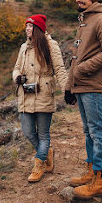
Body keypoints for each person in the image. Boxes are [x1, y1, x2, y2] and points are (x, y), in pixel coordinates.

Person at [64, 0, 102, 198]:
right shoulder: (85, 21)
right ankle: (90, 171)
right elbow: (75, 59)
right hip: (82, 86)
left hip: (94, 85)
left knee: (97, 131)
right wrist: (69, 87)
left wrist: (84, 68)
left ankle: (100, 180)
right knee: (88, 131)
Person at [13, 14, 68, 183]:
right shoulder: (24, 47)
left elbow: (59, 69)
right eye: (26, 26)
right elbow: (16, 68)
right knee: (29, 132)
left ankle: (39, 165)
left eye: (30, 26)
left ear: (37, 29)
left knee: (43, 135)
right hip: (25, 95)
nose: (27, 29)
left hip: (44, 93)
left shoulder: (51, 45)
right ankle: (46, 153)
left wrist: (67, 90)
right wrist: (17, 78)